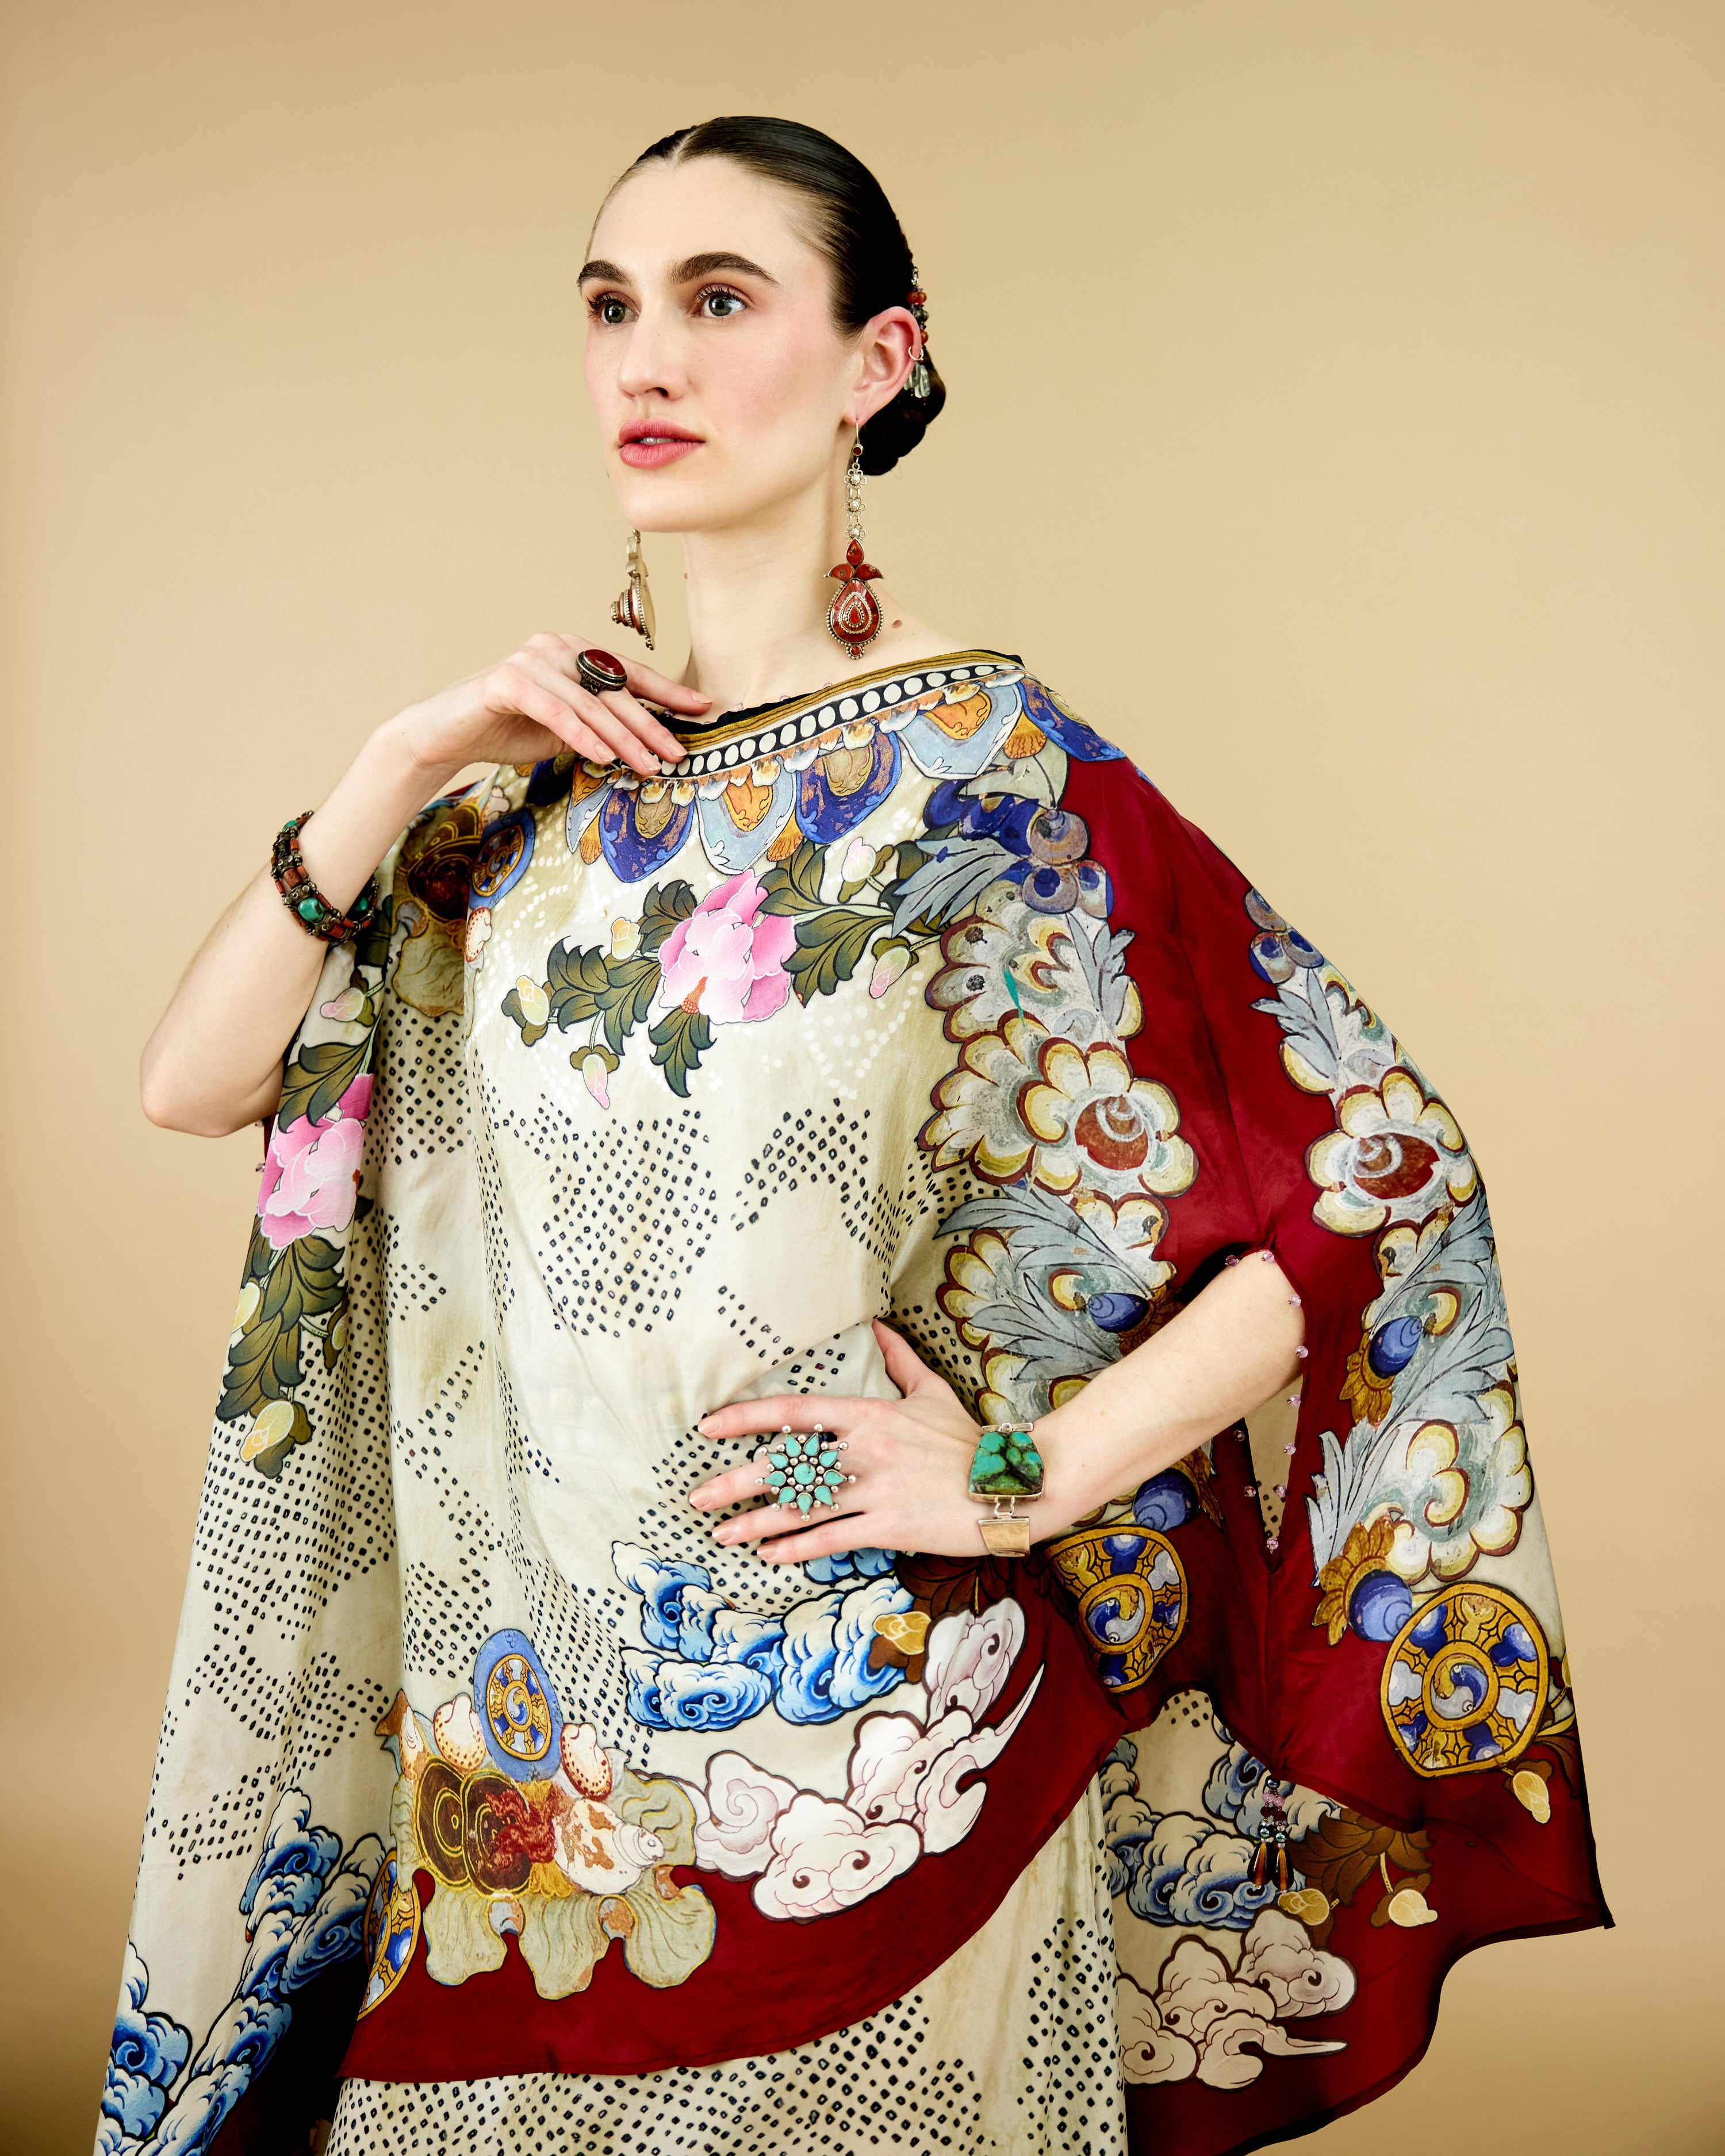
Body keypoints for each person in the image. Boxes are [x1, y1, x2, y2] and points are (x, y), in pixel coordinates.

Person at [105, 117, 1606, 2156]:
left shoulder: (982, 778)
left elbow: (1376, 1191)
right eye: (611, 307)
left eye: (719, 300)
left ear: (875, 361)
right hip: (529, 1793)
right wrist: (399, 759)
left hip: (875, 1769)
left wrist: (1017, 1479)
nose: (647, 359)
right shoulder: (511, 812)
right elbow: (197, 1085)